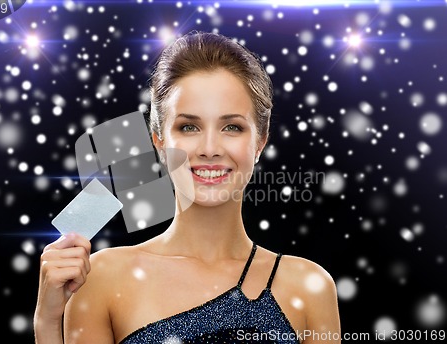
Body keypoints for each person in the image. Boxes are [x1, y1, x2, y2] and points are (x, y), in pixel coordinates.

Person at [34, 31, 341, 344]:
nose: (209, 148)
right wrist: (47, 323)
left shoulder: (309, 287)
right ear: (159, 142)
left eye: (232, 127)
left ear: (260, 142)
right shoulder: (103, 277)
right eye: (189, 127)